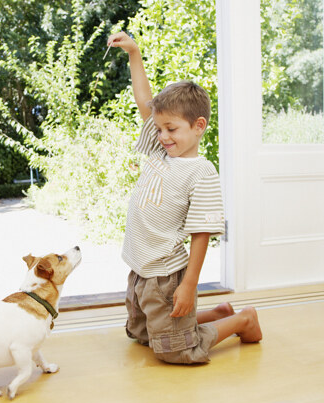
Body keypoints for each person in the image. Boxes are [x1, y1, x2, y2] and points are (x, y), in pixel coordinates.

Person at [108, 31, 262, 364]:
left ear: (198, 126)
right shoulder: (160, 149)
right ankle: (214, 313)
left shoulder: (200, 172)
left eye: (171, 129)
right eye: (159, 128)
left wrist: (189, 285)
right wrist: (134, 53)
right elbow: (144, 101)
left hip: (165, 274)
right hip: (141, 268)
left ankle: (242, 320)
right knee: (141, 335)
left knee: (178, 351)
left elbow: (201, 233)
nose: (162, 135)